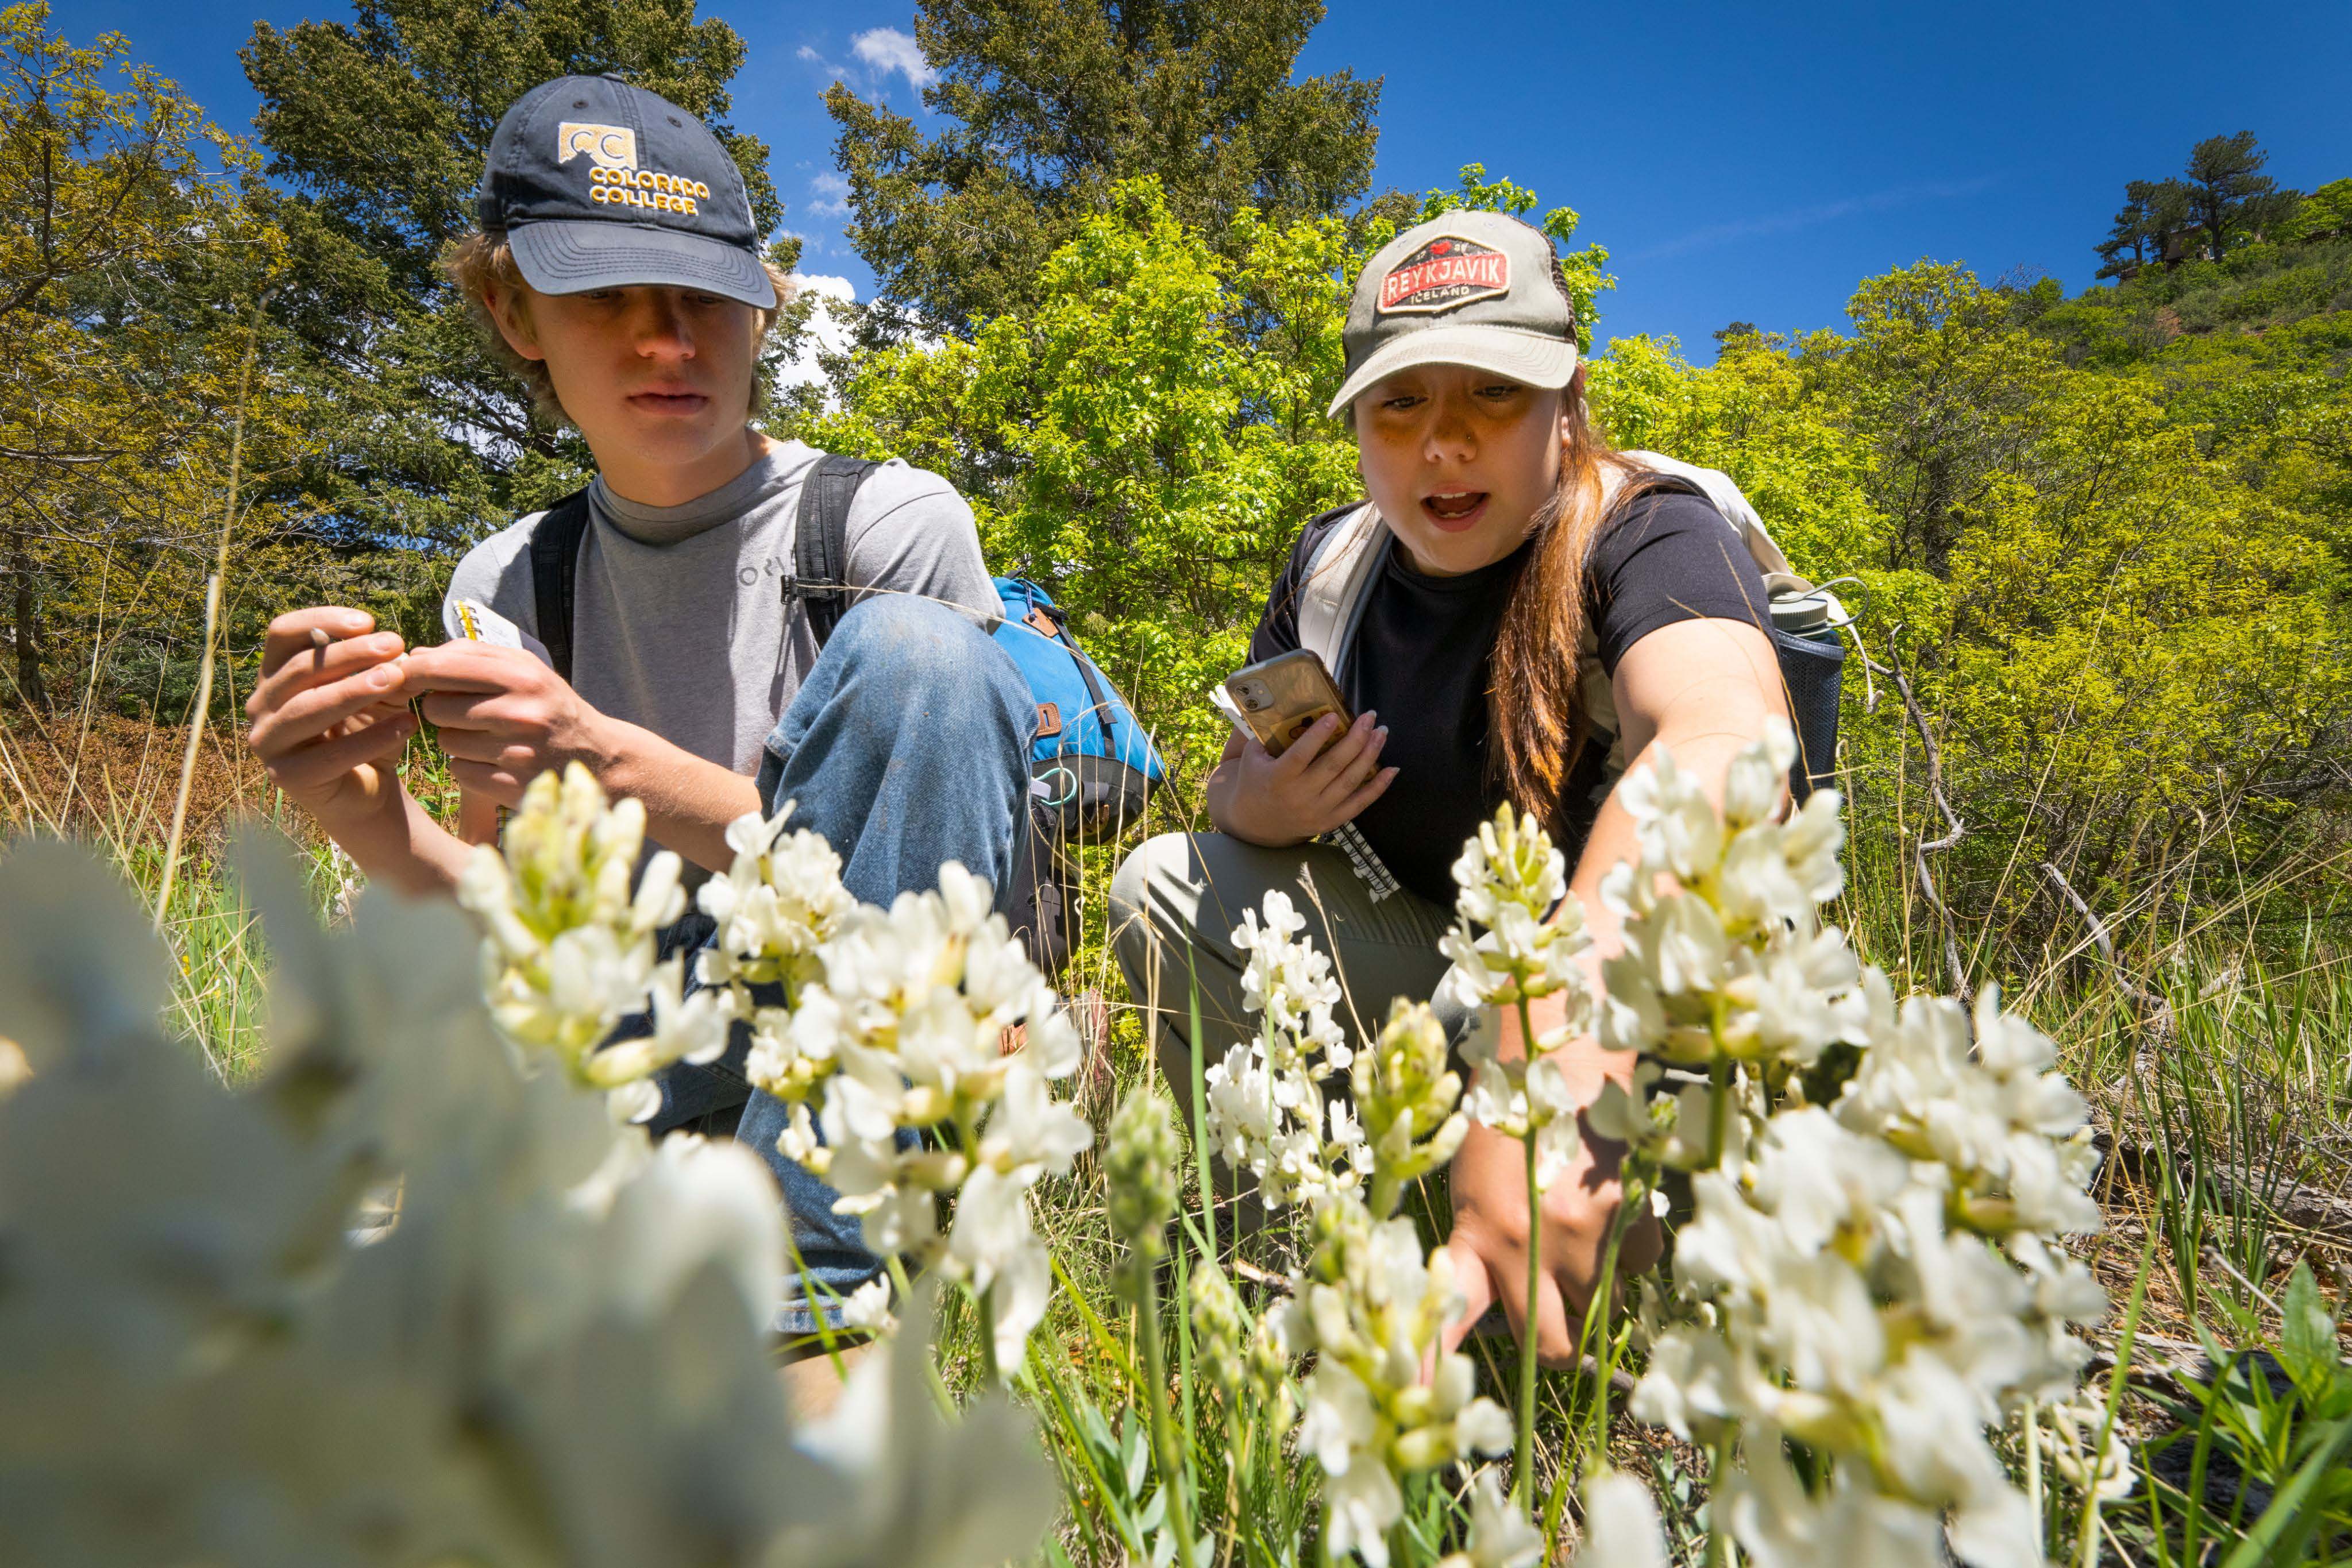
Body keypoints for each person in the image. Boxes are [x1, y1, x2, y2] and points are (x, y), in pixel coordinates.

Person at [243, 74, 1034, 1361]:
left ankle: (815, 1305)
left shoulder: (888, 526)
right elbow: (510, 913)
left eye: (703, 298)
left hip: (873, 1038)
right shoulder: (507, 583)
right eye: (606, 296)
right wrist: (365, 822)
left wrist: (609, 759)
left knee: (923, 657)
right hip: (645, 1032)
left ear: (761, 310)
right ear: (513, 311)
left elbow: (926, 902)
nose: (667, 341)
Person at [1109, 210, 1791, 1364]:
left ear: (1566, 403)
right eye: (1401, 404)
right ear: (1359, 424)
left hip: (1632, 1006)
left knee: (1585, 1331)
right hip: (1444, 969)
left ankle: (1551, 1298)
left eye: (1491, 393)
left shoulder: (1650, 536)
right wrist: (1257, 809)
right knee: (1164, 885)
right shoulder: (1333, 567)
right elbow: (1232, 778)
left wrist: (1550, 1043)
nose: (1442, 444)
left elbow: (1727, 738)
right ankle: (1288, 1291)